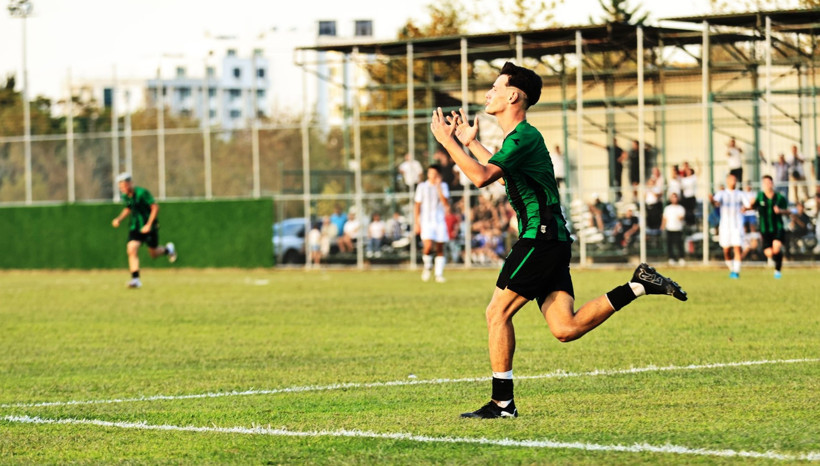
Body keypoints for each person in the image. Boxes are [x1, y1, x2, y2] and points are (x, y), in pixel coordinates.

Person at [430, 62, 687, 419]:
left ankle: (502, 404)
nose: (488, 94)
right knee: (565, 328)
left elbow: (481, 178)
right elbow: (506, 179)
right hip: (553, 238)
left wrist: (449, 143)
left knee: (496, 313)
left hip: (540, 238)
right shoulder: (520, 139)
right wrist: (471, 144)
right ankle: (638, 285)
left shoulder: (523, 137)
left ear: (513, 96)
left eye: (495, 87)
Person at [110, 173, 177, 288]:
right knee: (131, 248)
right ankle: (135, 279)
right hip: (135, 227)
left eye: (124, 186)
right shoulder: (126, 196)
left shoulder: (142, 193)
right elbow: (129, 208)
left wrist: (149, 224)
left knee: (153, 253)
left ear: (130, 183)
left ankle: (168, 249)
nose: (123, 189)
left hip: (149, 227)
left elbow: (155, 207)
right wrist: (119, 219)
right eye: (120, 187)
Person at [414, 164, 450, 282]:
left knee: (440, 247)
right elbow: (417, 205)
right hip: (426, 221)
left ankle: (439, 274)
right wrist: (416, 222)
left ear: (439, 175)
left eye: (434, 174)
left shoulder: (443, 186)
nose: (432, 176)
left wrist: (438, 187)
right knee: (428, 246)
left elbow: (445, 203)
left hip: (439, 221)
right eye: (430, 173)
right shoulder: (422, 186)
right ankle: (427, 266)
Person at [748, 175, 788, 278]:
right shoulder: (760, 196)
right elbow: (752, 207)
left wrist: (780, 211)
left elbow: (788, 211)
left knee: (776, 248)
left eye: (769, 182)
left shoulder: (779, 197)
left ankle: (778, 271)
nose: (767, 185)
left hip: (777, 227)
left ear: (772, 183)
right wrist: (750, 205)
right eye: (765, 183)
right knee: (769, 253)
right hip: (764, 229)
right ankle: (778, 260)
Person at [710, 173, 747, 279]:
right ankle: (732, 268)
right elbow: (715, 202)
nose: (733, 182)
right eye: (731, 180)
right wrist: (712, 200)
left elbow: (748, 205)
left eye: (735, 180)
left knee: (737, 247)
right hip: (725, 226)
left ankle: (736, 271)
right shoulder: (722, 193)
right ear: (727, 181)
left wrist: (746, 208)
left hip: (737, 225)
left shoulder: (740, 194)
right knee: (726, 250)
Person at [661, 193, 686, 265]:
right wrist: (662, 226)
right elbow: (664, 218)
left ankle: (681, 258)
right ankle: (671, 258)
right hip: (670, 228)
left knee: (679, 244)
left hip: (678, 228)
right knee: (670, 244)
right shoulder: (667, 208)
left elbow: (682, 217)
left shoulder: (680, 208)